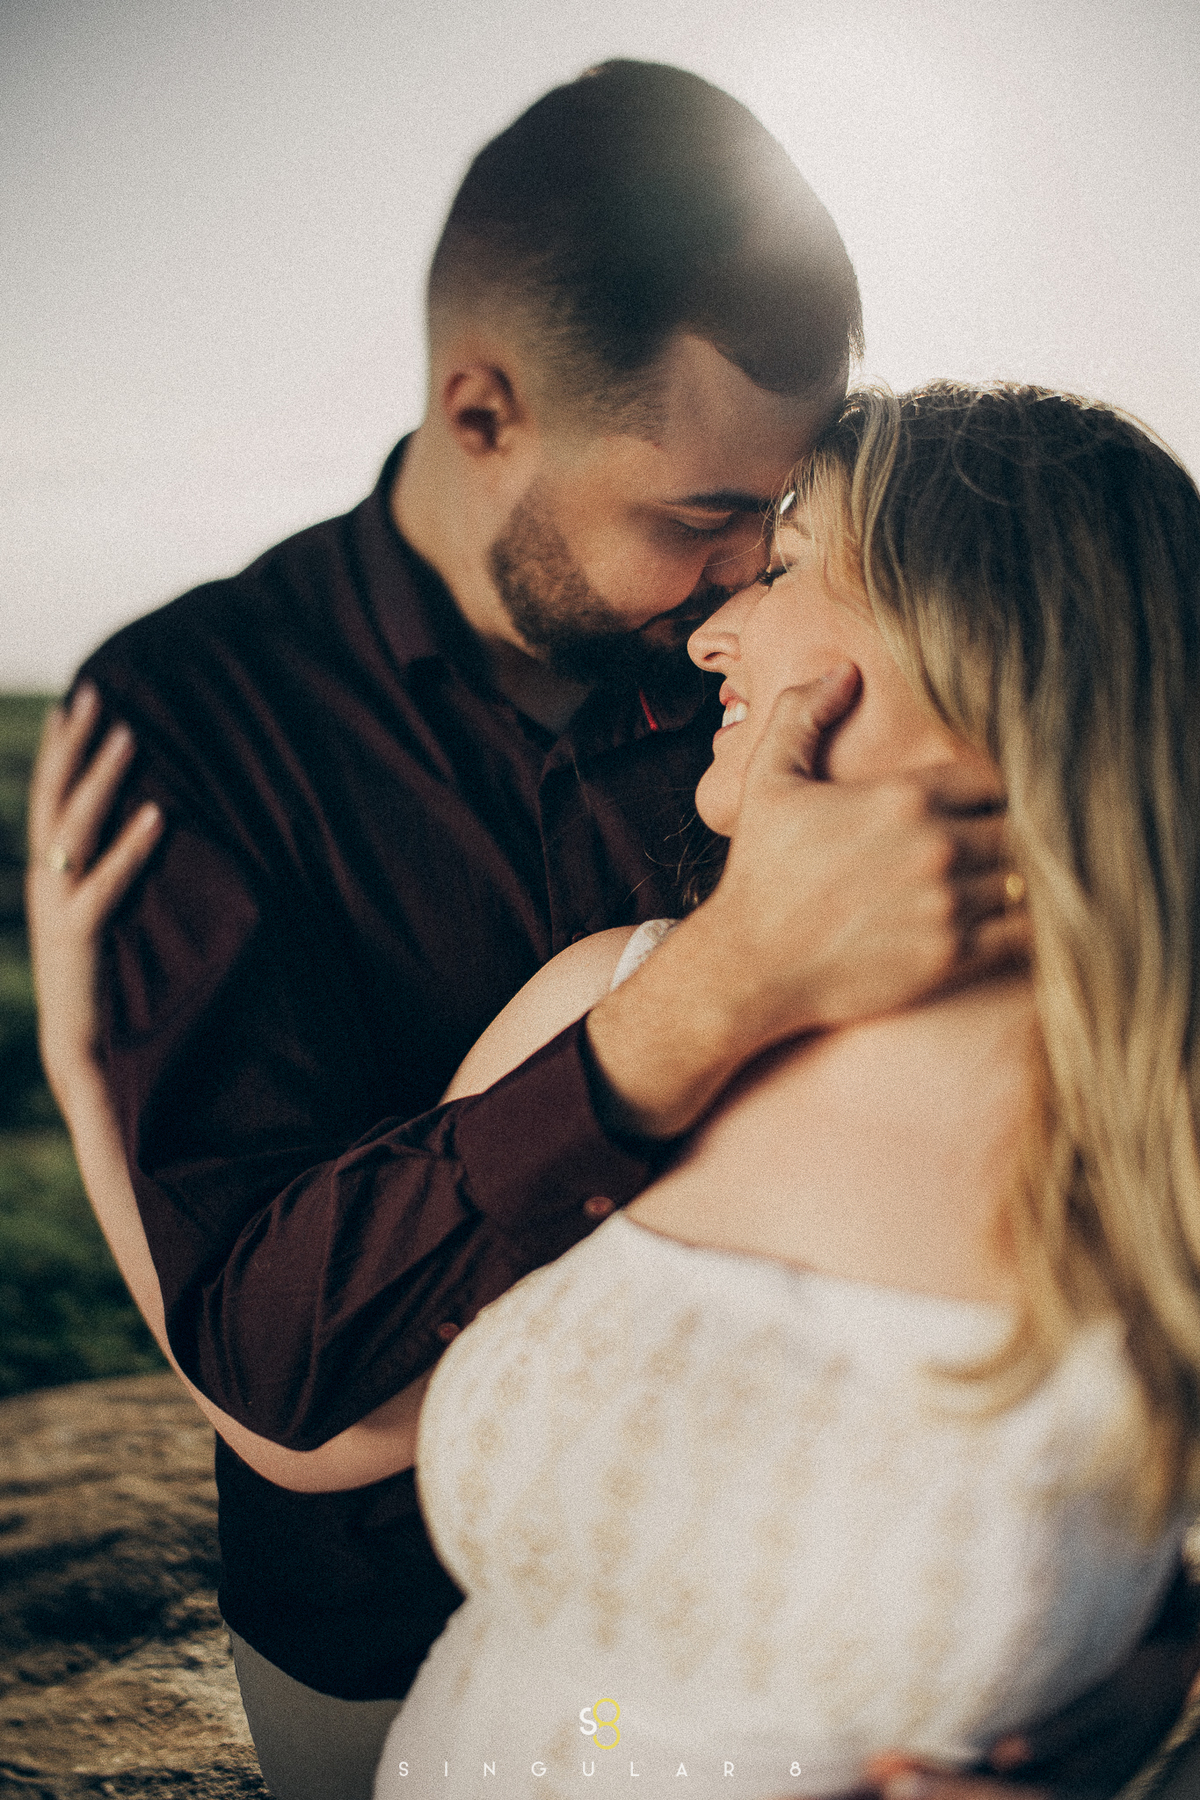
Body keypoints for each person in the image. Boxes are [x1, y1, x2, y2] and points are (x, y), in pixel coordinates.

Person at [28, 385, 1200, 1799]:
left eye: (785, 567)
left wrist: (1137, 1708)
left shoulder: (1162, 1122)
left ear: (982, 633)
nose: (713, 632)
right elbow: (325, 1430)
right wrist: (92, 1088)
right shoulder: (609, 998)